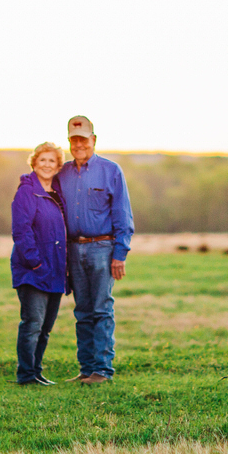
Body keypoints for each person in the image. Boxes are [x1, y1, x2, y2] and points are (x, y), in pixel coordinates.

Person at [58, 115, 134, 384]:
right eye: (73, 139)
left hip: (102, 247)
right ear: (69, 142)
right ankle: (86, 368)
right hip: (73, 249)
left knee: (102, 309)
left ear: (94, 140)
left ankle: (102, 370)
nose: (79, 144)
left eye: (83, 139)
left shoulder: (111, 170)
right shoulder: (63, 173)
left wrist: (119, 254)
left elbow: (123, 215)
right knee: (82, 311)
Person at [9, 141, 69, 386]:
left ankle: (36, 371)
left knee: (45, 328)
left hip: (55, 271)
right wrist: (36, 263)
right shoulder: (26, 191)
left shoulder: (57, 193)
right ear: (34, 162)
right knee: (32, 324)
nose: (46, 165)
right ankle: (25, 375)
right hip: (33, 270)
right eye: (42, 160)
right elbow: (21, 231)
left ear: (58, 166)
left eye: (51, 161)